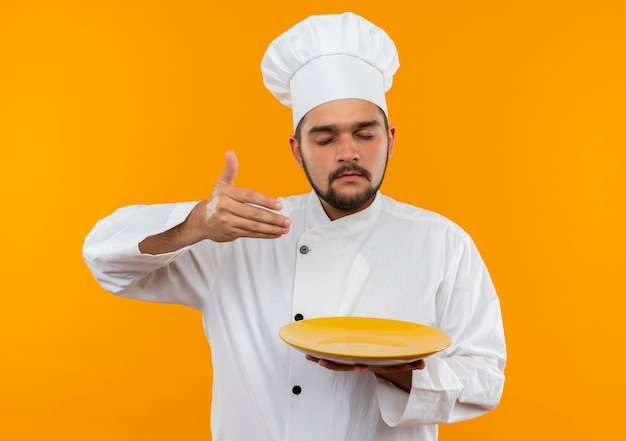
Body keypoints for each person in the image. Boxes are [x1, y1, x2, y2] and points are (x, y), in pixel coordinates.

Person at [83, 12, 506, 441]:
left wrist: (400, 373)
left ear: (391, 140)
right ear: (297, 151)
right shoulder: (238, 234)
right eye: (324, 138)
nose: (348, 153)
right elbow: (104, 259)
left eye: (365, 134)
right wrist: (195, 224)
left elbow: (485, 378)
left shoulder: (441, 242)